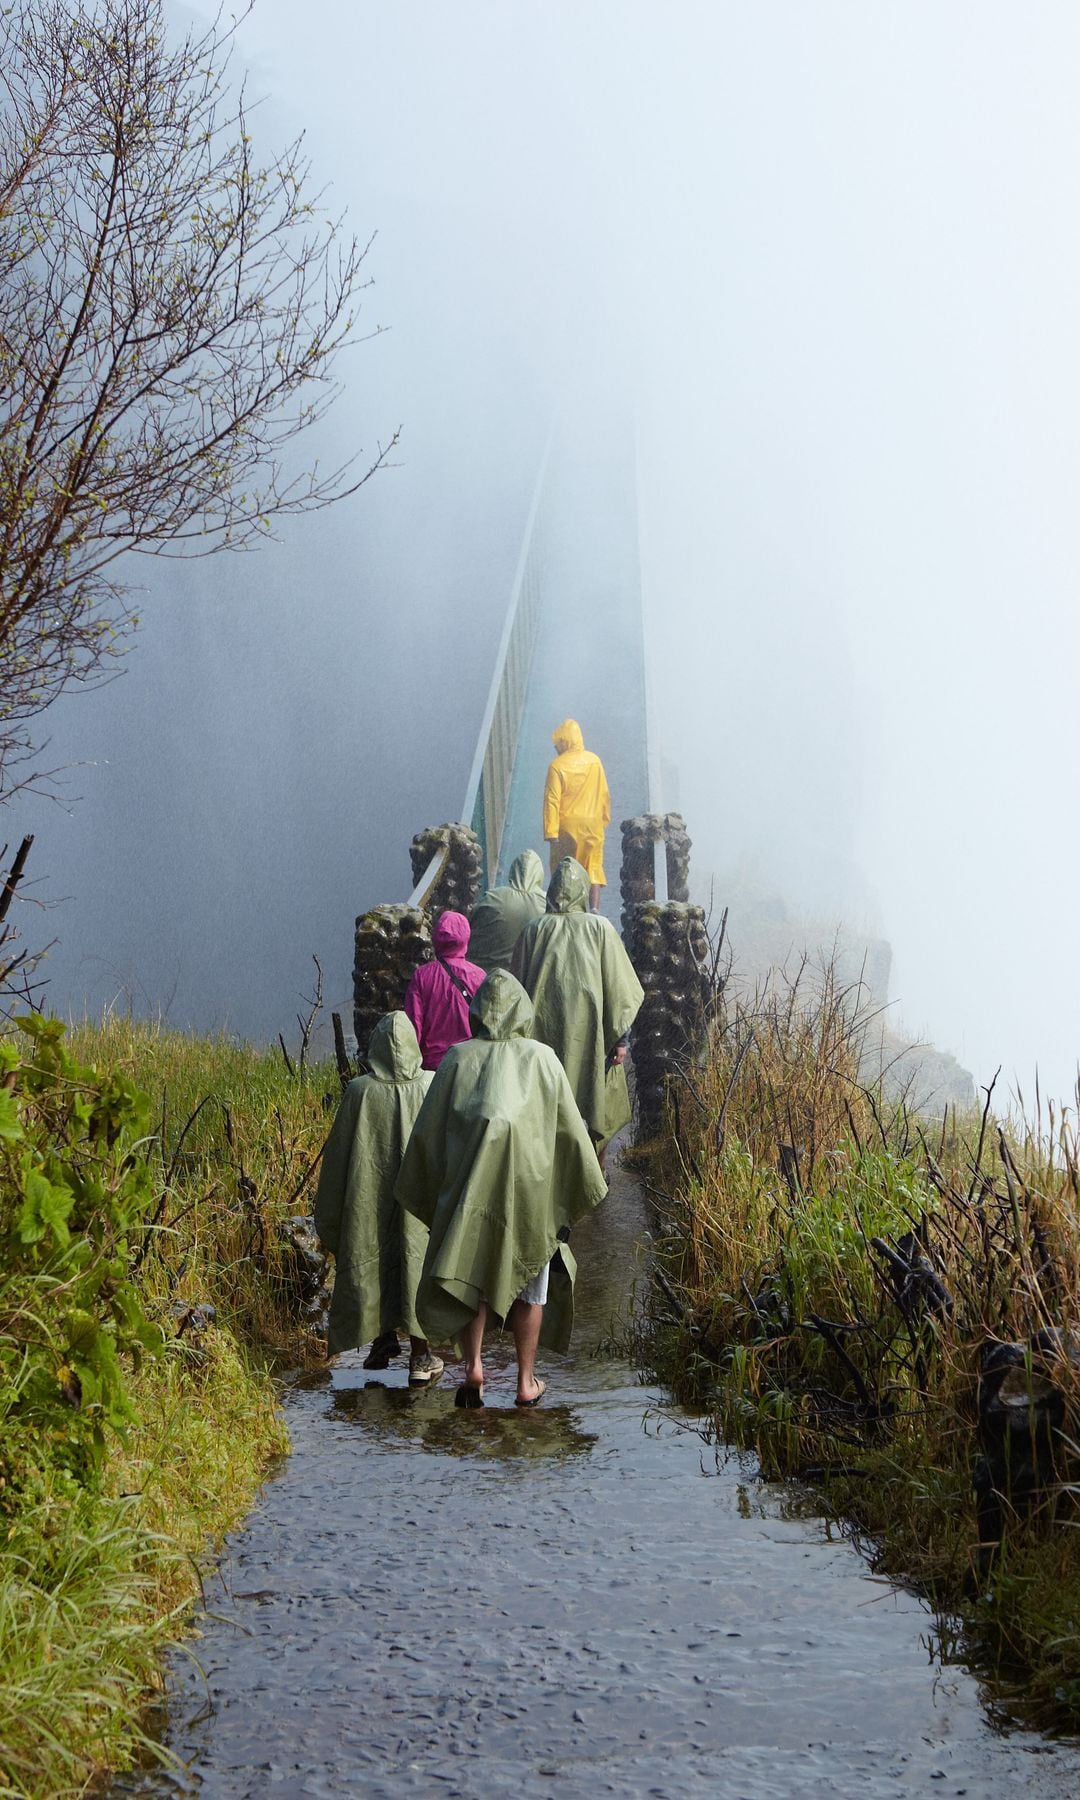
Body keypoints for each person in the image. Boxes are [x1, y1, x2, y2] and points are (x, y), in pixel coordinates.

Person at [395, 968, 608, 1408]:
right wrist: (569, 1198)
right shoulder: (543, 1059)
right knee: (531, 1283)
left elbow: (428, 1137)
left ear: (477, 1011)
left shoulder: (456, 1059)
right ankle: (525, 1381)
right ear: (523, 1010)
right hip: (528, 1194)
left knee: (469, 1273)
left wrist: (433, 1194)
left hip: (468, 1194)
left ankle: (473, 1366)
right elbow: (570, 1135)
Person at [313, 1011, 444, 1386]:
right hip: (420, 1204)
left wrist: (334, 1203)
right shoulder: (432, 1085)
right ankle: (420, 1357)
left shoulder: (359, 1092)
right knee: (414, 1262)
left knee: (372, 1253)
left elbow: (338, 1157)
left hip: (368, 1201)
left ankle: (381, 1339)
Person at [515, 856, 644, 1160]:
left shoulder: (534, 930)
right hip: (590, 1037)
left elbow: (515, 986)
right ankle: (593, 1171)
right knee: (594, 1099)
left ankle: (550, 1167)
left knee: (548, 1100)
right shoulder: (601, 929)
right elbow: (619, 988)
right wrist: (621, 1040)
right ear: (585, 891)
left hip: (542, 1036)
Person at [403, 909, 486, 1071]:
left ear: (436, 939)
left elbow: (413, 1026)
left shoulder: (422, 976)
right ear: (466, 938)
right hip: (470, 1065)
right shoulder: (479, 976)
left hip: (433, 1068)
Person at [543, 719, 611, 912]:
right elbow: (604, 793)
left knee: (563, 868)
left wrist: (551, 832)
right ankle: (595, 911)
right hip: (592, 825)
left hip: (566, 827)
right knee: (593, 866)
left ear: (564, 742)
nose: (556, 748)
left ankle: (564, 910)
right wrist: (604, 818)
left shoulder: (556, 766)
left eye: (558, 744)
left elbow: (552, 800)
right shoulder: (595, 761)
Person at [468, 847, 546, 973]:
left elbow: (470, 927)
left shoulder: (492, 898)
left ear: (513, 871)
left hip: (482, 976)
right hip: (520, 982)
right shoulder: (547, 907)